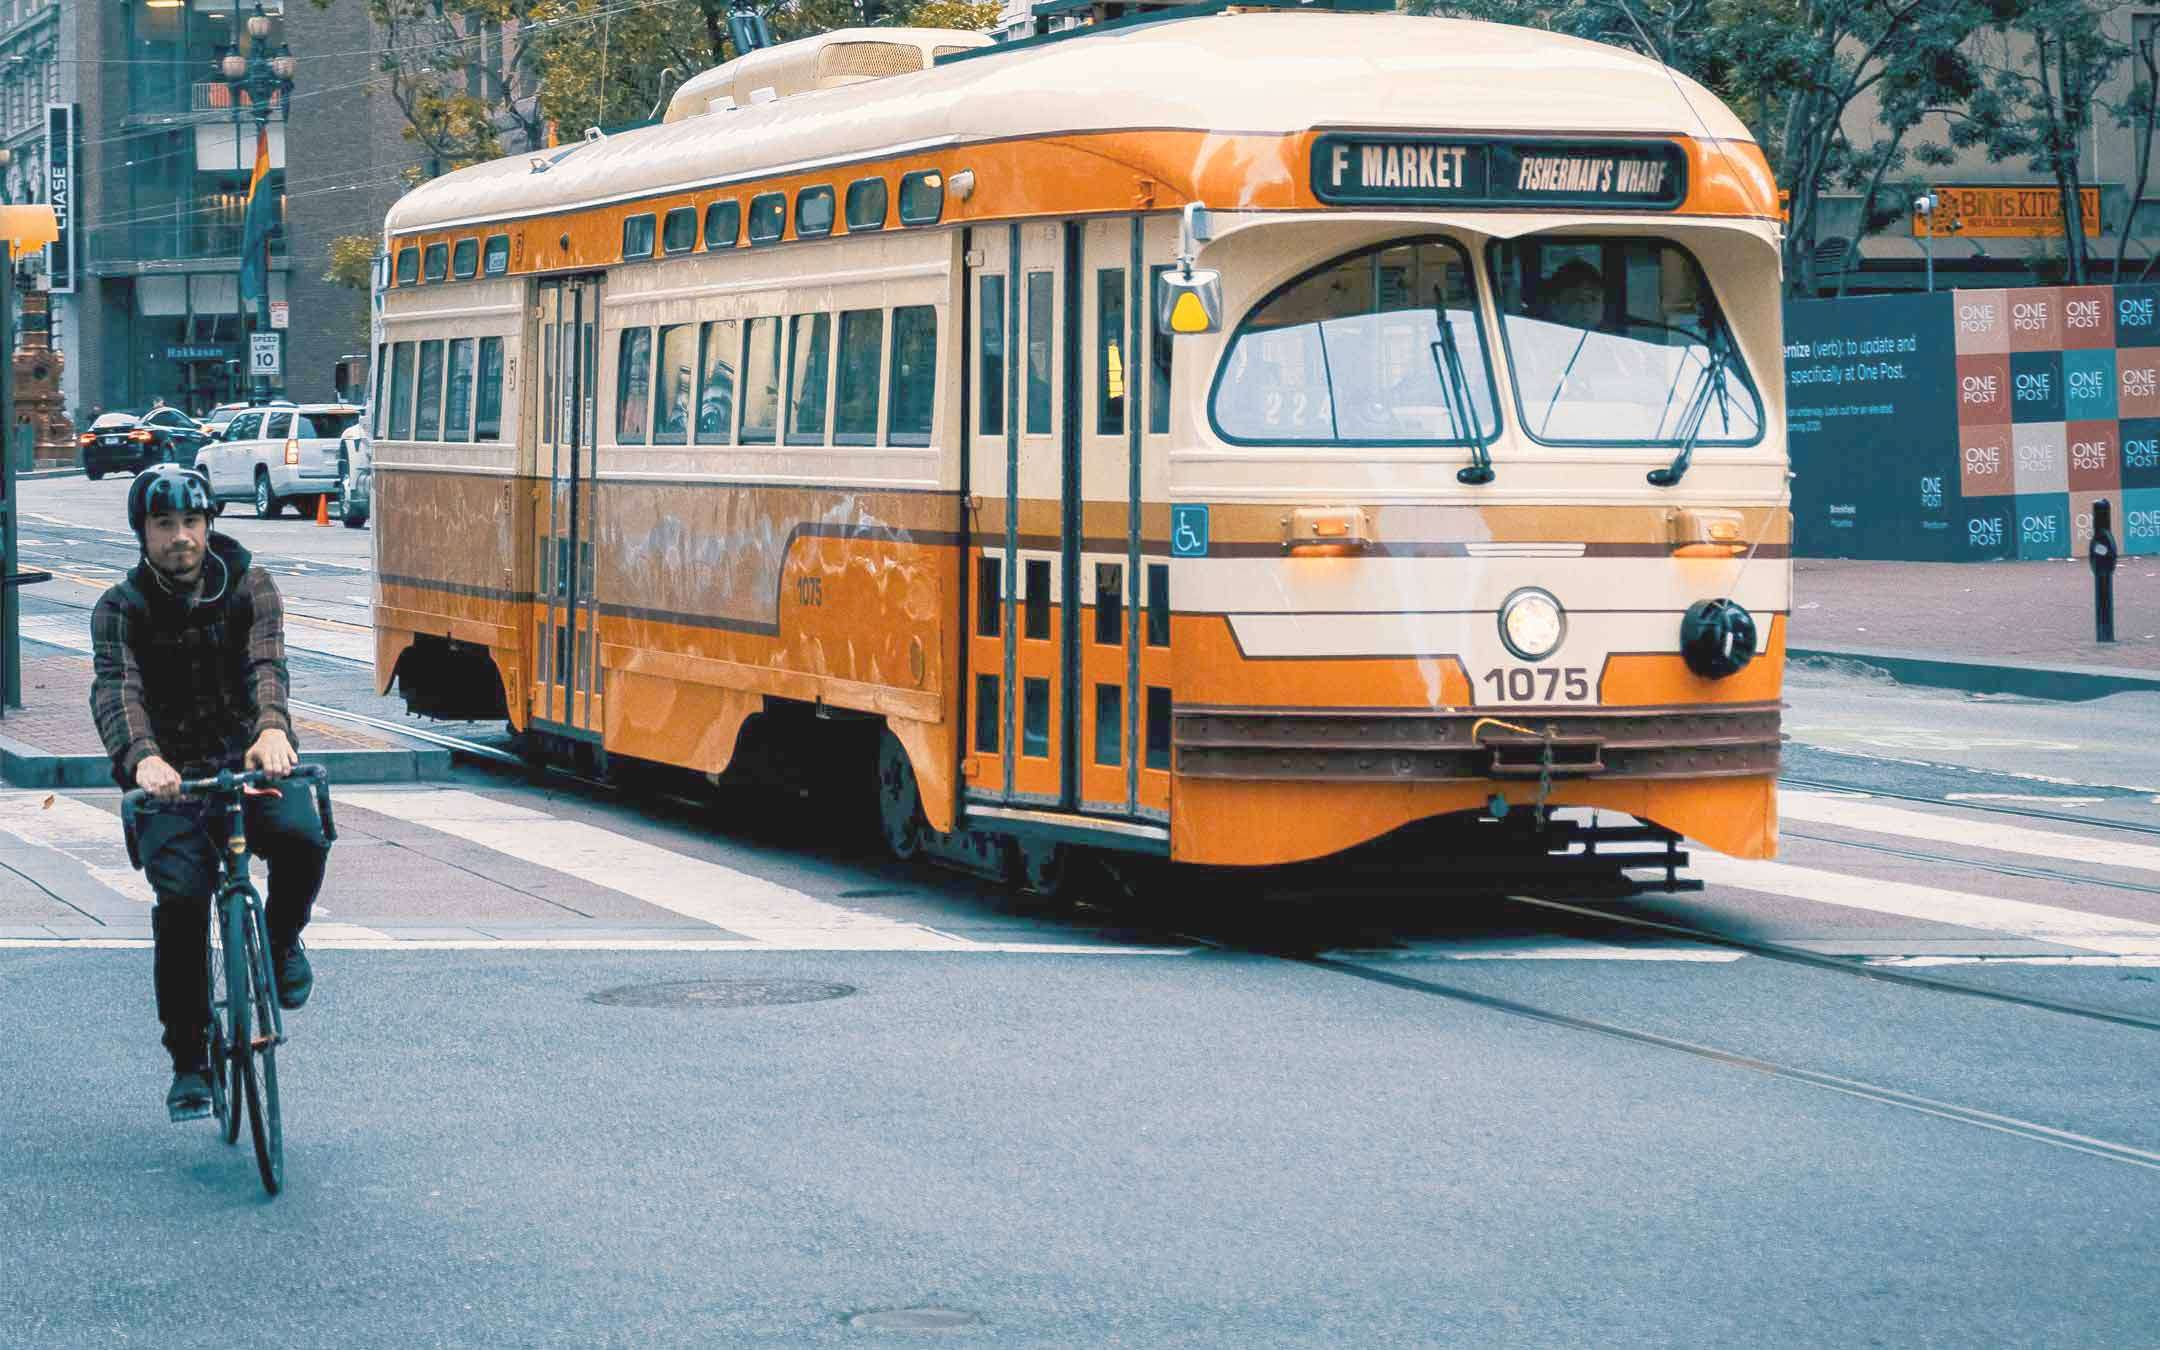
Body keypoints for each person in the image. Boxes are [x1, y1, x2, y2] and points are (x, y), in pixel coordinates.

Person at [90, 465, 330, 1122]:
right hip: (172, 777)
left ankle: (281, 941)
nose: (180, 538)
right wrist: (142, 760)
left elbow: (267, 666)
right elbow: (117, 691)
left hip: (250, 760)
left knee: (305, 838)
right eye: (164, 525)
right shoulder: (119, 608)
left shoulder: (251, 585)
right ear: (143, 533)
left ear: (208, 526)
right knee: (182, 904)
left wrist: (274, 731)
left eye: (191, 523)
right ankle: (189, 1062)